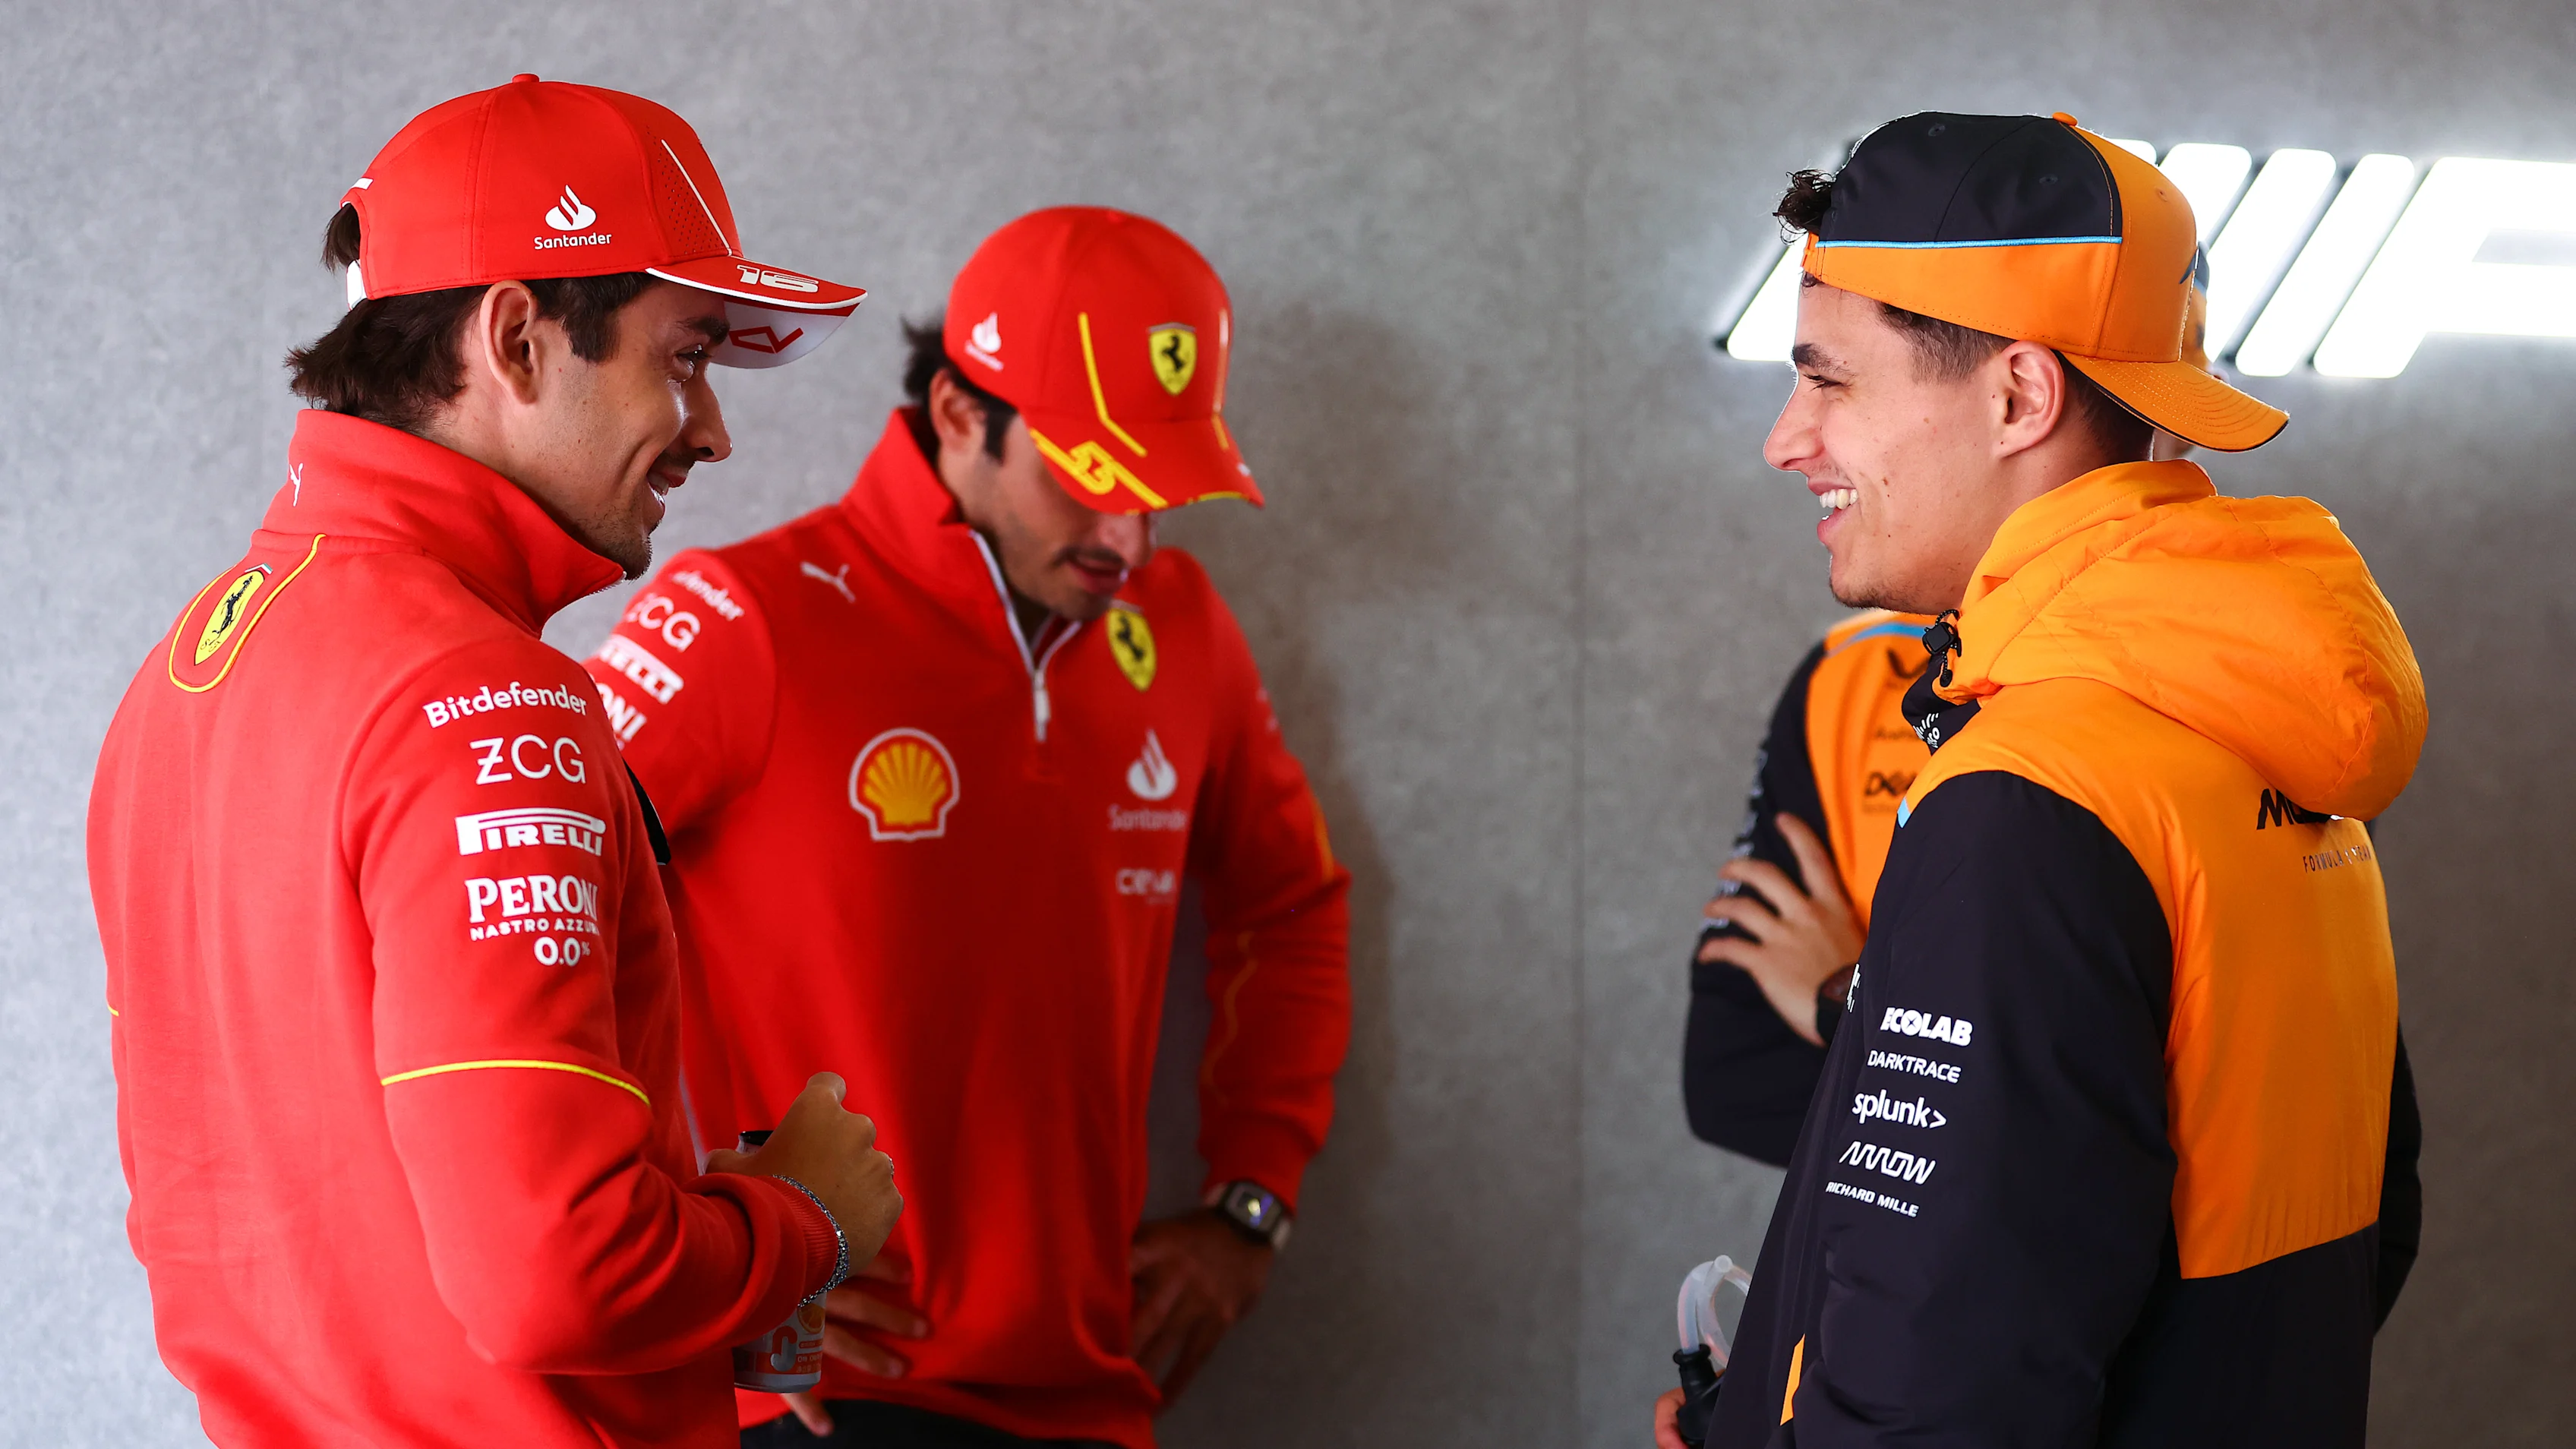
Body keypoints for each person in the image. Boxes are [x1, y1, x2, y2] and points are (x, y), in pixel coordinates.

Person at [87, 75, 904, 1447]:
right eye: (687, 354)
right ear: (518, 336)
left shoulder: (187, 669)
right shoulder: (491, 703)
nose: (712, 431)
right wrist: (798, 1221)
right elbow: (555, 1279)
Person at [1659, 112, 2426, 1448]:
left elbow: (1936, 1398)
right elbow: (2368, 1230)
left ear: (2019, 394)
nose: (1789, 440)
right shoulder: (2259, 736)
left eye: (1830, 380)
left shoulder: (2033, 802)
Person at [585, 207, 1353, 1449]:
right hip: (828, 1397)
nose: (1129, 540)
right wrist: (689, 1259)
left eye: (1158, 491)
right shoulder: (741, 617)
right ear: (956, 415)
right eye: (1089, 480)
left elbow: (1291, 909)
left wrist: (1249, 1205)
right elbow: (514, 946)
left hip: (1095, 1385)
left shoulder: (1186, 624)